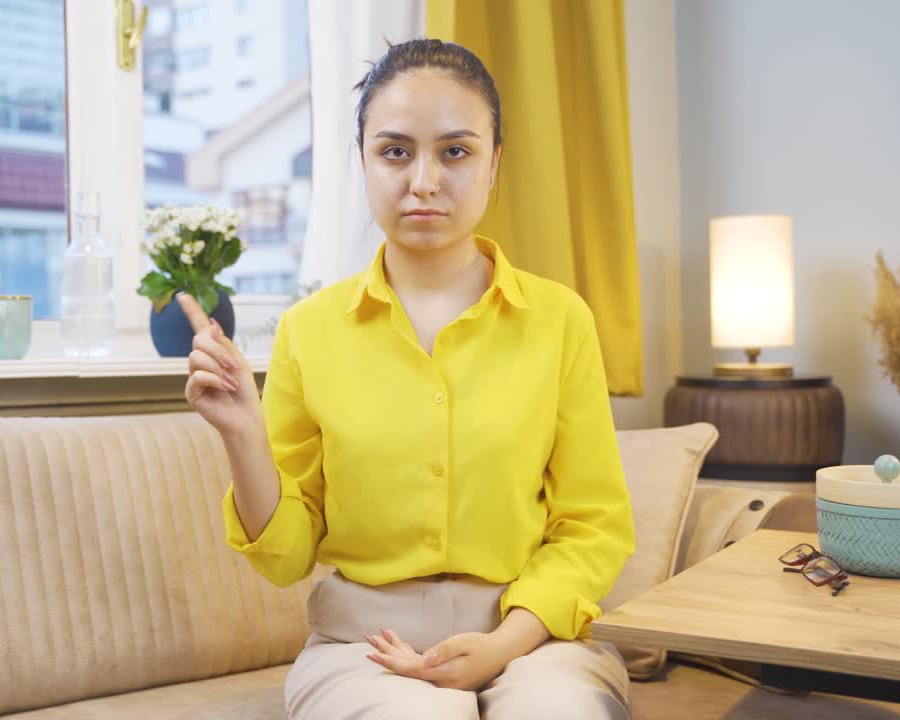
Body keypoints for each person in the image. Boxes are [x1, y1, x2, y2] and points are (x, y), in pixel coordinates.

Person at [178, 38, 635, 720]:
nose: (423, 181)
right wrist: (244, 437)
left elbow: (592, 526)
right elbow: (285, 557)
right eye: (395, 151)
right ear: (362, 160)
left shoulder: (560, 320)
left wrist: (504, 643)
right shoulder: (310, 330)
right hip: (362, 647)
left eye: (455, 151)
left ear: (494, 164)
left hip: (532, 639)